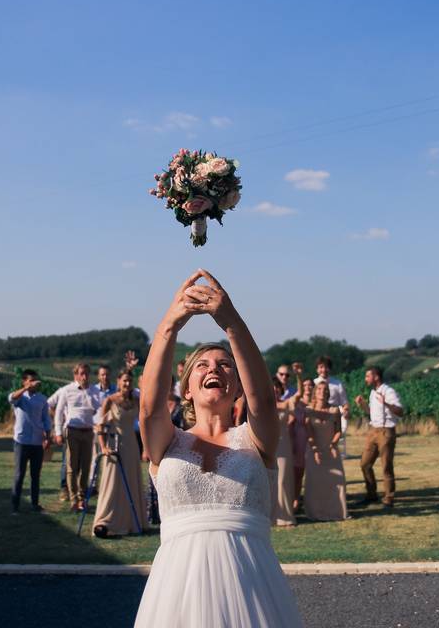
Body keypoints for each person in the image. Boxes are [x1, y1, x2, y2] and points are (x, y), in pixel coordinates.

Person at [134, 269, 303, 628]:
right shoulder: (167, 443)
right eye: (203, 365)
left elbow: (265, 403)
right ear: (187, 390)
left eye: (225, 365)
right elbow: (148, 408)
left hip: (251, 585)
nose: (216, 368)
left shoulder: (256, 440)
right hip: (177, 590)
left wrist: (231, 322)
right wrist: (169, 325)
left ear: (238, 387)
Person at [92, 369, 147, 537]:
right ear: (118, 382)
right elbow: (100, 426)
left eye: (129, 381)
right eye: (124, 381)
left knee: (131, 481)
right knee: (112, 483)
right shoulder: (110, 400)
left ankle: (132, 521)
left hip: (131, 444)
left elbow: (144, 424)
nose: (127, 384)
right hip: (114, 445)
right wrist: (103, 447)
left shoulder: (137, 400)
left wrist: (145, 448)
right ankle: (107, 520)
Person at [49, 364, 103, 511]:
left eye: (86, 374)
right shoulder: (67, 390)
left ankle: (82, 498)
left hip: (88, 431)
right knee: (72, 467)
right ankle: (73, 499)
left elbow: (100, 408)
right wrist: (58, 432)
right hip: (72, 431)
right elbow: (59, 412)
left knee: (86, 467)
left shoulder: (94, 391)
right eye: (81, 374)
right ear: (76, 376)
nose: (84, 377)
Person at [354, 366, 403, 507]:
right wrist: (362, 405)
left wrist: (386, 402)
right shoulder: (372, 392)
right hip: (373, 430)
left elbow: (400, 411)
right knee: (365, 464)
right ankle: (371, 494)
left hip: (386, 432)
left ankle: (389, 497)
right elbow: (371, 413)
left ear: (376, 377)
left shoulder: (388, 391)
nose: (365, 379)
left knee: (386, 465)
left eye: (367, 376)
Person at [301, 381, 348, 521]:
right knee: (315, 481)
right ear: (315, 391)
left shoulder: (334, 410)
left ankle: (336, 512)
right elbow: (309, 433)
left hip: (331, 448)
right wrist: (315, 449)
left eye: (325, 389)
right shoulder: (308, 410)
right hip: (314, 449)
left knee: (337, 479)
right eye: (320, 389)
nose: (323, 391)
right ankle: (315, 512)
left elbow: (338, 431)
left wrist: (333, 445)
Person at [7, 369, 53, 514]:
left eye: (35, 380)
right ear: (24, 381)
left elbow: (46, 418)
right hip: (22, 441)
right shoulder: (21, 398)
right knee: (19, 474)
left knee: (35, 475)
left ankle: (35, 504)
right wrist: (24, 389)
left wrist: (47, 436)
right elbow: (11, 398)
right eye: (30, 380)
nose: (33, 383)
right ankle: (15, 506)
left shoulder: (42, 399)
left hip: (37, 441)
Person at [271, 373, 297, 527]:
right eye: (272, 387)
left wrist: (298, 376)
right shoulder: (263, 405)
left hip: (284, 444)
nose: (275, 389)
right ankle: (270, 516)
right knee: (270, 480)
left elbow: (298, 396)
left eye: (277, 387)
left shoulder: (286, 404)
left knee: (283, 480)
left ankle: (285, 516)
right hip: (269, 445)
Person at [313, 355, 350, 456]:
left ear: (329, 369)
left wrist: (346, 410)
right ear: (317, 369)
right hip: (317, 415)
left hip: (334, 416)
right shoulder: (314, 383)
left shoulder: (337, 384)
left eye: (326, 367)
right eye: (321, 367)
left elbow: (344, 402)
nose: (323, 370)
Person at [292, 377, 315, 512]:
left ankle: (312, 499)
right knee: (298, 471)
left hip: (314, 438)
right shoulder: (298, 403)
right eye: (305, 385)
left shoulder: (316, 402)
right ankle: (296, 499)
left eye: (310, 385)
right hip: (299, 437)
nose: (308, 387)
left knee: (313, 471)